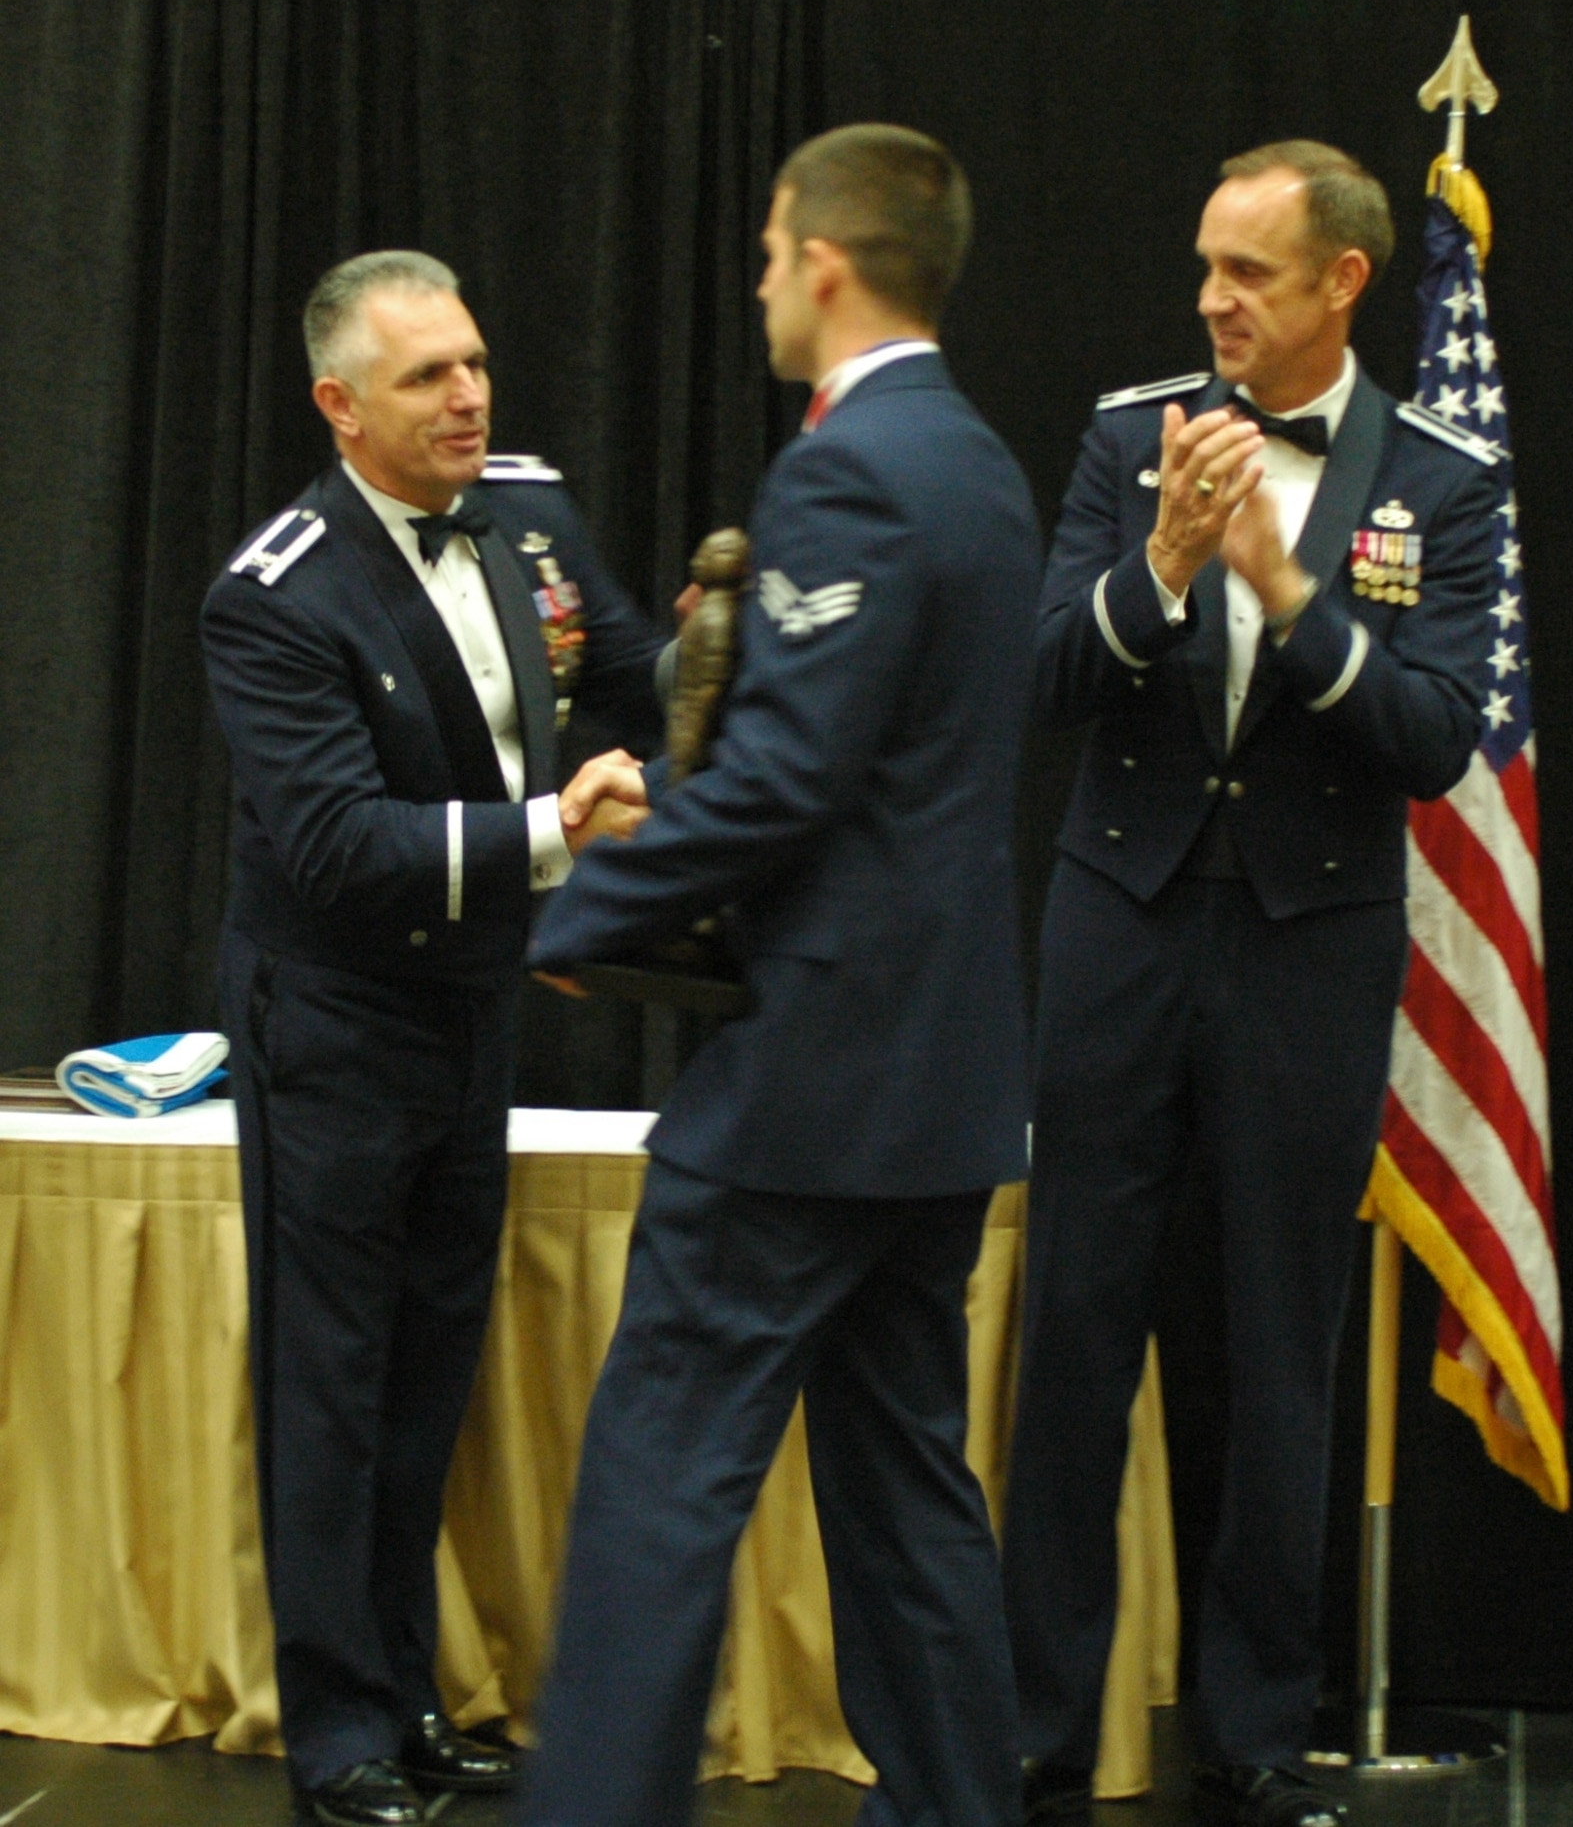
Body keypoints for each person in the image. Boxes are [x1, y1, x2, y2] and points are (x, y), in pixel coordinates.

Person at [519, 124, 1042, 1827]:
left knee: (661, 1484)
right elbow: (879, 777)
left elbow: (789, 783)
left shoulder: (852, 470)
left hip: (811, 1089)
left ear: (825, 261)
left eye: (765, 252)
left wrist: (589, 915)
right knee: (905, 1500)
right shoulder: (978, 461)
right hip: (942, 1085)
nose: (756, 282)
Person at [1003, 142, 1508, 1827]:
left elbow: (1437, 739)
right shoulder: (1126, 429)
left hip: (1310, 938)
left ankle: (1256, 1726)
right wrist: (1158, 564)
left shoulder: (1438, 476)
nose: (1214, 301)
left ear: (1344, 283)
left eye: (1251, 273)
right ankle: (1038, 1720)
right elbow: (1043, 675)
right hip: (1121, 924)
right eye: (1207, 267)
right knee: (1076, 1323)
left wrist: (1288, 591)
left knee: (1278, 1341)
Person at [201, 250, 665, 1827]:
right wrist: (558, 828)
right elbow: (335, 843)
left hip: (476, 1001)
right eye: (426, 377)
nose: (469, 395)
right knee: (332, 1375)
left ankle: (406, 1687)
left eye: (473, 362)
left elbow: (631, 670)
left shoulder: (526, 512)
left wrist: (753, 672)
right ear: (340, 405)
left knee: (427, 1367)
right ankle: (336, 1726)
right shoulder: (276, 591)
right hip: (335, 1014)